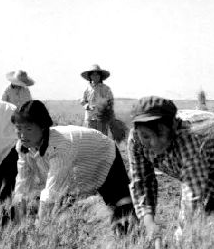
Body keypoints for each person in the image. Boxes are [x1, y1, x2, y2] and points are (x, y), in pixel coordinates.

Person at [128, 96, 214, 239]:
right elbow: (141, 181)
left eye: (160, 134)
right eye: (146, 136)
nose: (154, 142)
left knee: (212, 212)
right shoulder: (135, 139)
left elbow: (192, 195)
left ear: (173, 127)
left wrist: (181, 241)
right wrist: (148, 221)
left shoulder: (188, 139)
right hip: (191, 162)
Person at [11, 100, 135, 234]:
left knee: (121, 207)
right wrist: (17, 226)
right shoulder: (23, 146)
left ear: (42, 127)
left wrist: (38, 230)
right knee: (62, 208)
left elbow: (51, 192)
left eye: (28, 129)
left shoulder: (60, 146)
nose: (22, 135)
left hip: (103, 153)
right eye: (18, 128)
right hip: (76, 166)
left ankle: (132, 239)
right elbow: (22, 185)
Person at [80, 64, 114, 135]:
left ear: (100, 76)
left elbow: (111, 102)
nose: (95, 76)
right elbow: (82, 101)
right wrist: (88, 106)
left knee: (102, 138)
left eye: (97, 74)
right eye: (93, 74)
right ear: (90, 76)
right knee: (90, 137)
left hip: (102, 119)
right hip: (90, 118)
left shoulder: (106, 88)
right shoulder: (87, 88)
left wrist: (105, 108)